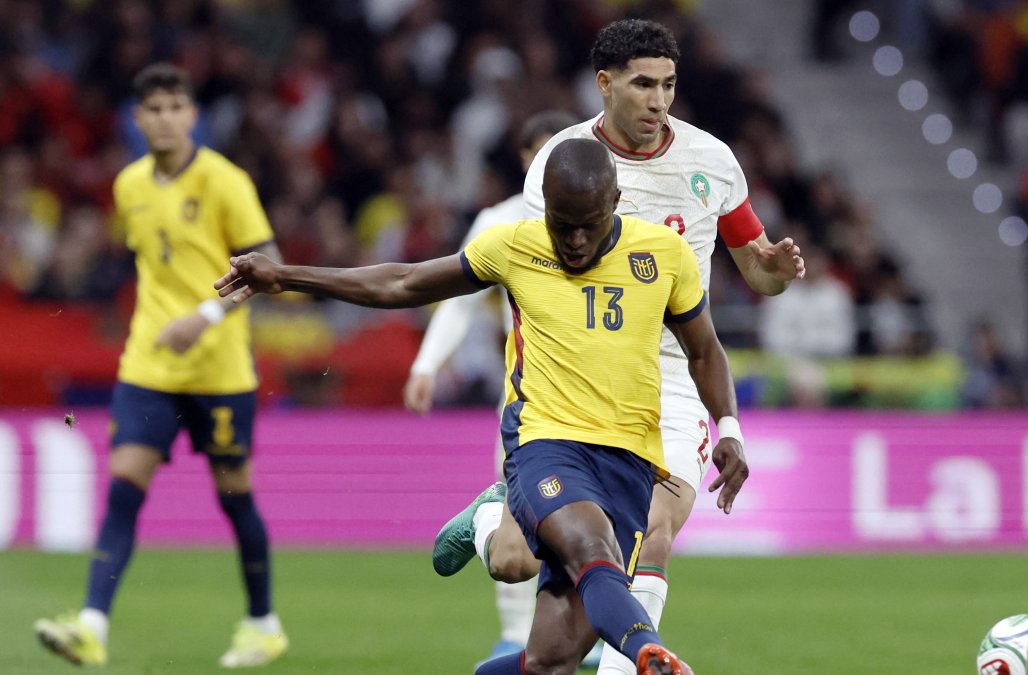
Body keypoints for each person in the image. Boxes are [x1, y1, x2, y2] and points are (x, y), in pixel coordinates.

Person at [215, 138, 747, 675]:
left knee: (550, 661)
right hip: (548, 444)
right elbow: (402, 282)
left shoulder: (664, 254)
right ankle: (648, 654)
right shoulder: (514, 245)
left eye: (588, 223)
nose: (575, 240)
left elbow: (704, 350)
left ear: (616, 201)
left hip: (629, 460)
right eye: (563, 224)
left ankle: (490, 518)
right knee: (592, 551)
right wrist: (285, 277)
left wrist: (728, 426)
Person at [430, 18, 806, 675]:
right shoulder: (565, 162)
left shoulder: (712, 162)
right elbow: (531, 279)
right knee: (519, 564)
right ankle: (493, 517)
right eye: (642, 85)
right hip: (578, 370)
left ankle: (631, 662)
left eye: (667, 85)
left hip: (673, 371)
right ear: (605, 85)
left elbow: (759, 273)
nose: (658, 100)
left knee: (655, 529)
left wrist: (774, 266)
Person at [33, 63, 288, 669]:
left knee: (234, 499)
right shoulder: (128, 186)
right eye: (155, 108)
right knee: (123, 489)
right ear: (138, 118)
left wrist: (206, 313)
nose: (166, 117)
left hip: (220, 368)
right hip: (148, 364)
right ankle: (92, 626)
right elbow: (152, 265)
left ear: (192, 116)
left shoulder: (225, 181)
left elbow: (271, 262)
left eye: (177, 106)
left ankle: (263, 624)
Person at [403, 110, 581, 664]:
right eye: (539, 150)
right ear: (526, 158)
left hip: (598, 395)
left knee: (593, 516)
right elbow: (458, 298)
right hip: (529, 395)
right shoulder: (500, 222)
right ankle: (513, 632)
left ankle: (578, 627)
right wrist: (428, 363)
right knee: (521, 519)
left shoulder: (604, 216)